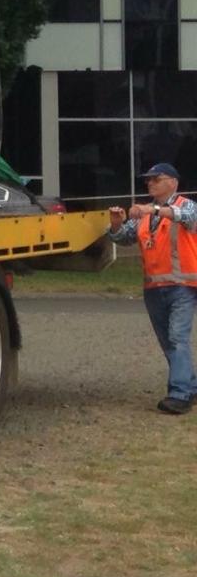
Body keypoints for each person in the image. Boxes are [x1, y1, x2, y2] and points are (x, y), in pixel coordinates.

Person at [108, 162, 197, 414]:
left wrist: (152, 208)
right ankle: (190, 386)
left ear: (173, 182)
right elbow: (124, 237)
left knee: (177, 338)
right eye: (148, 180)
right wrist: (116, 225)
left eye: (156, 179)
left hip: (183, 286)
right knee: (168, 341)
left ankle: (179, 395)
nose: (150, 183)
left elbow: (186, 217)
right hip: (154, 288)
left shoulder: (187, 206)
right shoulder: (145, 215)